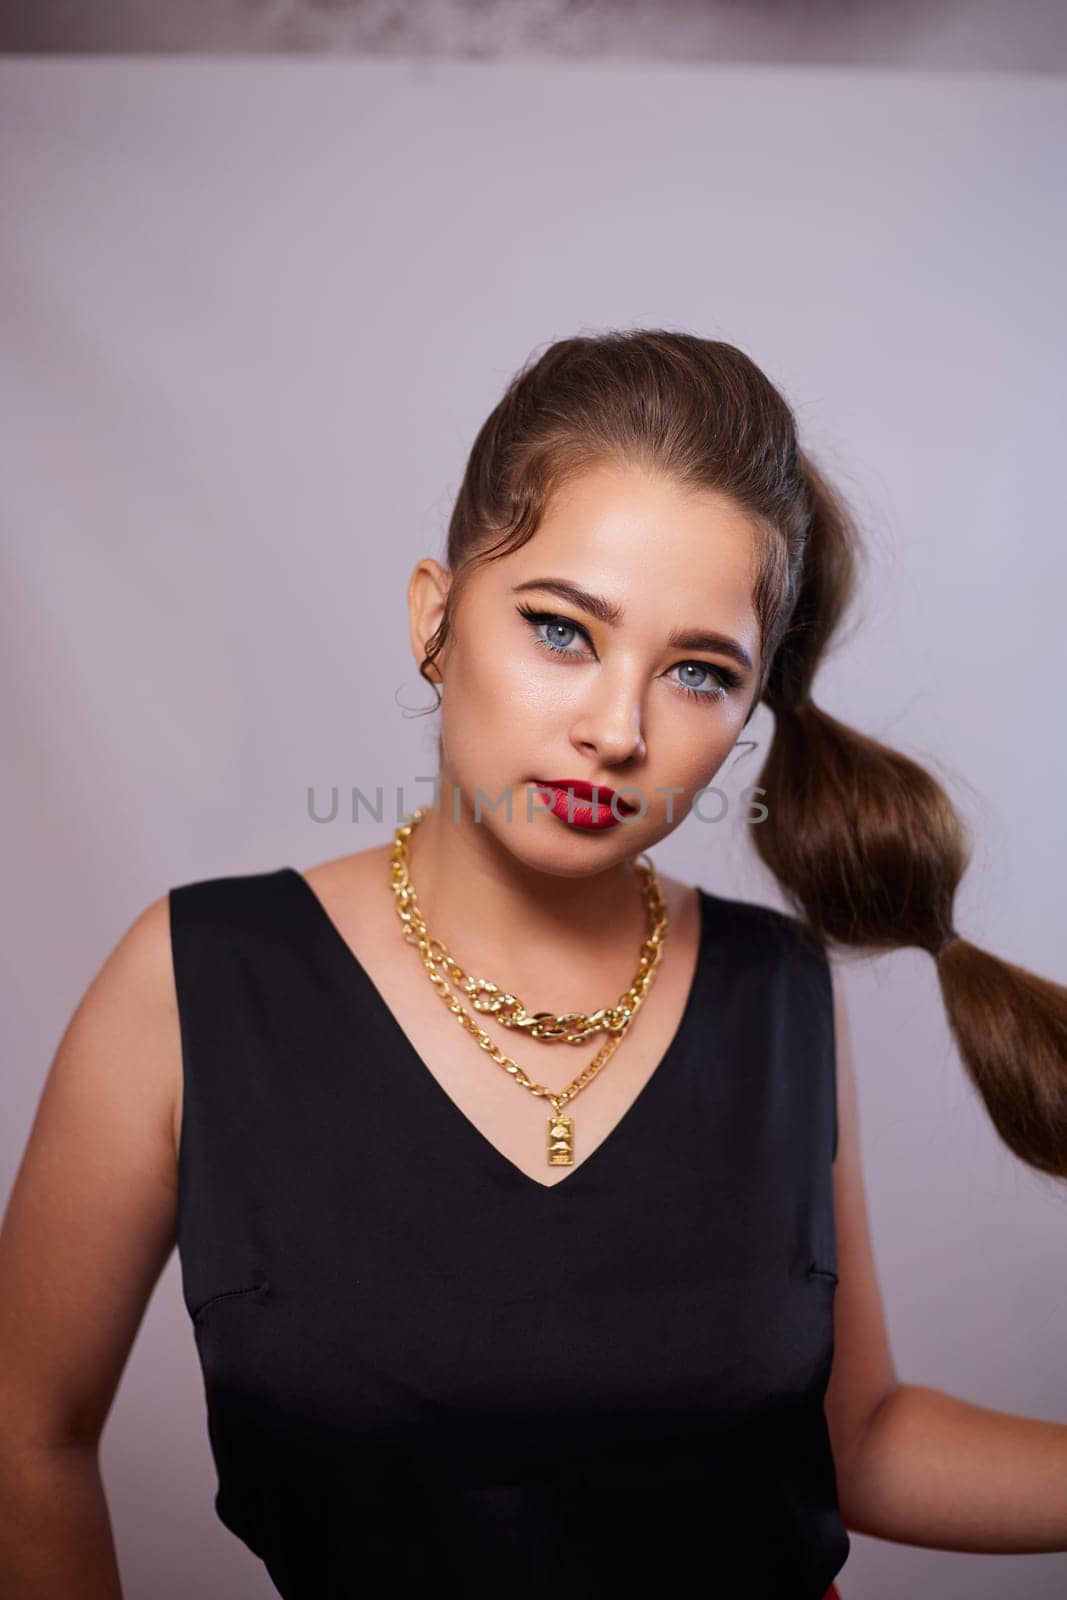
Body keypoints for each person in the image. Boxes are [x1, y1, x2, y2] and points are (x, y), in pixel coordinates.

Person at [1, 330, 1064, 1598]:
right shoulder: (195, 980)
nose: (616, 729)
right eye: (562, 630)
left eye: (695, 672)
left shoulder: (775, 991)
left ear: (744, 718)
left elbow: (857, 1440)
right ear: (434, 621)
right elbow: (26, 1437)